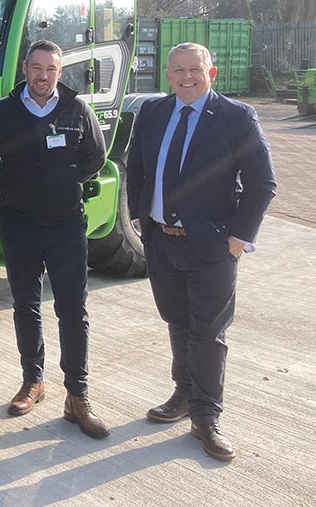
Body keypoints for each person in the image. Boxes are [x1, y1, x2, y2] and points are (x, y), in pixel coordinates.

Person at [126, 42, 276, 461]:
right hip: (161, 241)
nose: (186, 77)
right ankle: (184, 394)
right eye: (178, 70)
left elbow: (262, 182)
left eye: (195, 70)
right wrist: (142, 217)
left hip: (211, 246)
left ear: (211, 74)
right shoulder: (153, 113)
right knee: (177, 321)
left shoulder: (235, 117)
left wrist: (237, 240)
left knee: (208, 333)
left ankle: (206, 417)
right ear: (167, 76)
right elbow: (135, 165)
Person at [0, 40, 110, 439]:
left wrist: (61, 183)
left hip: (66, 225)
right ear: (25, 69)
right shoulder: (2, 113)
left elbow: (95, 157)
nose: (43, 76)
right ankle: (32, 383)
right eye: (36, 68)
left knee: (73, 310)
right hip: (18, 224)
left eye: (50, 69)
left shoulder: (77, 109)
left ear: (60, 71)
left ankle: (77, 395)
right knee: (26, 305)